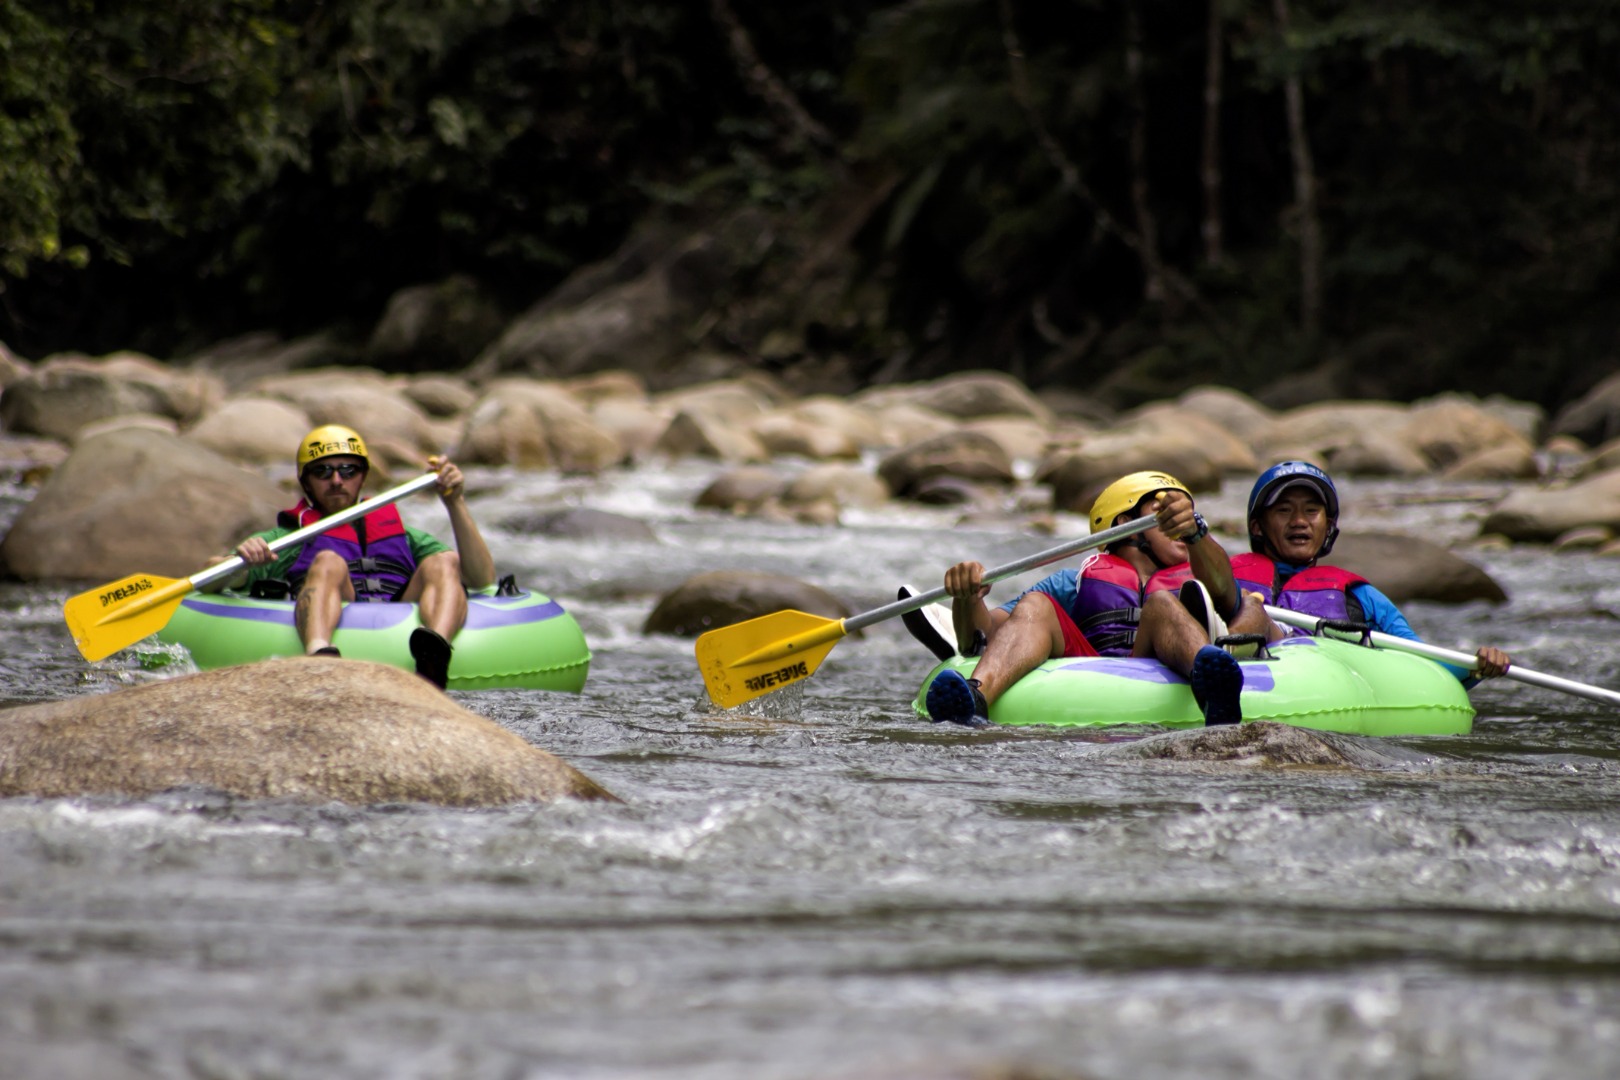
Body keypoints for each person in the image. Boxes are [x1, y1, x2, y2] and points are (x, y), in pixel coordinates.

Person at [925, 471, 1275, 728]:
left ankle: (1214, 693)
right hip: (1094, 661)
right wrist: (967, 598)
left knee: (1162, 604)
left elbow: (1227, 595)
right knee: (1035, 605)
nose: (1177, 522)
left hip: (1166, 659)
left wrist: (1195, 532)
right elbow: (987, 634)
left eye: (1182, 514)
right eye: (1162, 512)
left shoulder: (1202, 568)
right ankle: (973, 699)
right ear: (1126, 524)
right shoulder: (1074, 580)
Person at [207, 424, 497, 689]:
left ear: (362, 477)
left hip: (400, 611)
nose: (336, 480)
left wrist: (454, 501)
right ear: (306, 482)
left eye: (348, 470)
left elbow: (481, 578)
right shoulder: (288, 538)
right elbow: (209, 578)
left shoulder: (405, 536)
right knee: (328, 560)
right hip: (333, 617)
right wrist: (241, 561)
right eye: (322, 472)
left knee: (444, 561)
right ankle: (320, 655)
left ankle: (435, 651)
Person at [1237, 460, 1511, 683]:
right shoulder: (1223, 578)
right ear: (1258, 526)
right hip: (1237, 676)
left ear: (1328, 525)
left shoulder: (1360, 597)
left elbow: (1423, 661)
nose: (1299, 522)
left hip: (1316, 691)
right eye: (1284, 510)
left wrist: (1476, 666)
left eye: (1311, 511)